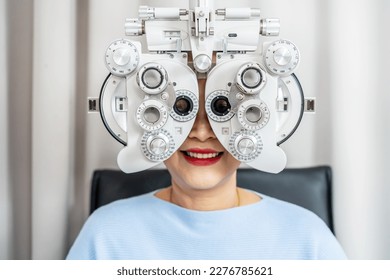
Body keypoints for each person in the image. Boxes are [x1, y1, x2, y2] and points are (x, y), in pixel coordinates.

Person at [66, 79, 347, 260]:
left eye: (221, 110)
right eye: (181, 111)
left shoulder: (307, 236)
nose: (201, 132)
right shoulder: (105, 233)